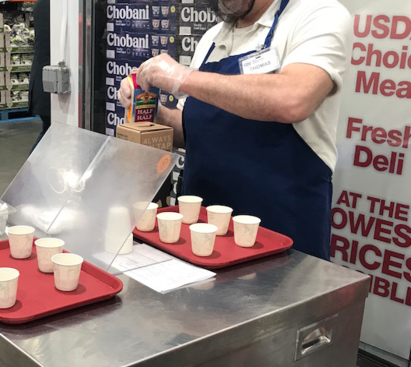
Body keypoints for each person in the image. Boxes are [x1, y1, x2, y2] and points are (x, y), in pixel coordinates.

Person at [120, 0, 352, 260]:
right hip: (202, 232)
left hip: (281, 232)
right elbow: (194, 129)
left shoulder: (317, 15)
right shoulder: (212, 38)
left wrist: (182, 78)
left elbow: (293, 99)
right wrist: (151, 111)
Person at [29, 0, 51, 150]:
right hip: (50, 82)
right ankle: (29, 173)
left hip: (44, 80)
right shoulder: (52, 5)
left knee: (49, 131)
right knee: (50, 132)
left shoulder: (43, 3)